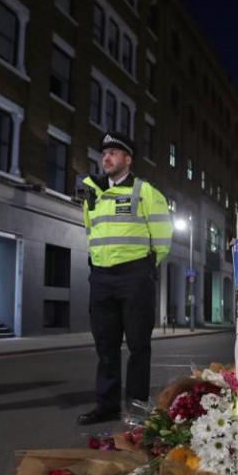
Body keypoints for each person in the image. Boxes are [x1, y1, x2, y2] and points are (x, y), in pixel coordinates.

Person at [78, 132, 173, 425]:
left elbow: (162, 237)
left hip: (135, 275)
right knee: (105, 347)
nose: (106, 157)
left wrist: (145, 267)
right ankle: (106, 407)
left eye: (114, 153)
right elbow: (90, 231)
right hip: (101, 277)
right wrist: (98, 265)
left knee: (138, 346)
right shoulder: (91, 193)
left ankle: (136, 409)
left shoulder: (146, 192)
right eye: (104, 153)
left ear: (128, 160)